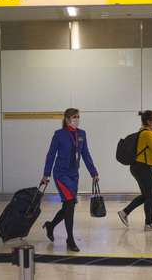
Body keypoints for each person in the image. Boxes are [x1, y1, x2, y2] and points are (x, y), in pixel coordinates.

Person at [41, 108, 99, 252]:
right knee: (69, 204)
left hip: (74, 175)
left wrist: (94, 172)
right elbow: (51, 155)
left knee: (69, 204)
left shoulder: (82, 134)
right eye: (74, 117)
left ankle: (51, 225)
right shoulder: (59, 134)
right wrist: (46, 174)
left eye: (78, 117)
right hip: (61, 174)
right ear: (67, 119)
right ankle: (70, 239)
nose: (77, 119)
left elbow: (86, 154)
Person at [117, 110, 152, 231]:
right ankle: (148, 224)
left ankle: (125, 212)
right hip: (142, 168)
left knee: (146, 195)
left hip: (139, 167)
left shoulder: (144, 132)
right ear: (148, 121)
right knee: (149, 196)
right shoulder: (148, 134)